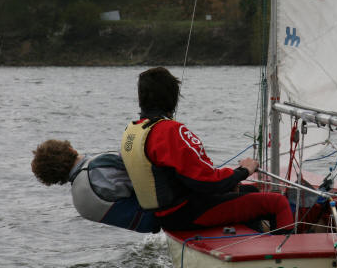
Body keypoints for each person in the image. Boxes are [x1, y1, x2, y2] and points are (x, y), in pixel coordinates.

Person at [120, 67, 294, 233]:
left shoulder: (133, 131)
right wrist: (244, 171)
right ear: (173, 97)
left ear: (141, 98)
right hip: (187, 213)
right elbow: (209, 182)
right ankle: (286, 250)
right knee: (278, 203)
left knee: (250, 192)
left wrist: (232, 180)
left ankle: (253, 240)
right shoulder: (169, 131)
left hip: (164, 214)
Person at [31, 139, 159, 233]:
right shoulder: (99, 165)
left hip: (154, 225)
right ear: (71, 149)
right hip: (165, 210)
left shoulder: (78, 202)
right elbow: (148, 172)